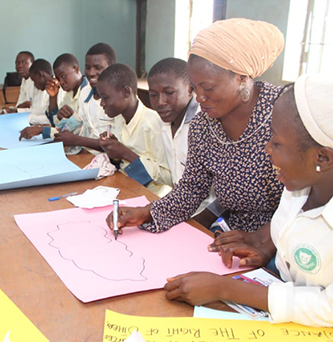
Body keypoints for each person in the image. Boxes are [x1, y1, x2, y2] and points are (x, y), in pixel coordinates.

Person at [164, 73, 333, 327]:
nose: (267, 150)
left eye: (276, 143)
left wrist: (227, 289)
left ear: (322, 159)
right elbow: (291, 234)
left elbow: (326, 307)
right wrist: (265, 247)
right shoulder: (298, 188)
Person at [107, 18, 285, 233]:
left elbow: (307, 199)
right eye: (195, 87)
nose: (199, 98)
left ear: (241, 77)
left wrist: (264, 242)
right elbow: (192, 188)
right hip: (230, 232)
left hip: (288, 240)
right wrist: (148, 211)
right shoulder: (203, 125)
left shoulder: (282, 113)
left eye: (207, 88)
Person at [147, 57, 217, 217]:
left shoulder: (206, 124)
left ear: (190, 89)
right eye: (153, 95)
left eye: (169, 93)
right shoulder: (163, 123)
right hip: (181, 209)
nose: (160, 102)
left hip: (207, 218)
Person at [97, 63, 171, 195]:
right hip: (126, 186)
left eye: (105, 98)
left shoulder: (155, 125)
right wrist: (113, 150)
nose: (102, 103)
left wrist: (125, 153)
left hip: (152, 197)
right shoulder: (119, 118)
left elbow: (169, 176)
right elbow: (122, 163)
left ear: (126, 92)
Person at [54, 43, 117, 155]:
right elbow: (82, 128)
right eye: (87, 67)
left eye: (98, 68)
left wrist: (75, 139)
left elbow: (116, 146)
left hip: (110, 160)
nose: (91, 73)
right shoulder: (85, 93)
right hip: (86, 155)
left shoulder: (118, 100)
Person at [19, 54, 88, 150]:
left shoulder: (88, 94)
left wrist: (42, 130)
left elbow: (77, 132)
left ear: (76, 69)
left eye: (64, 76)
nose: (61, 82)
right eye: (59, 78)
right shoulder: (70, 93)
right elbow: (57, 123)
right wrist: (53, 97)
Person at [18, 58, 52, 126]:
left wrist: (26, 118)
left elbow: (50, 119)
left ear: (40, 75)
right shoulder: (42, 88)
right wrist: (18, 111)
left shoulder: (59, 91)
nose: (34, 84)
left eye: (34, 80)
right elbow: (37, 110)